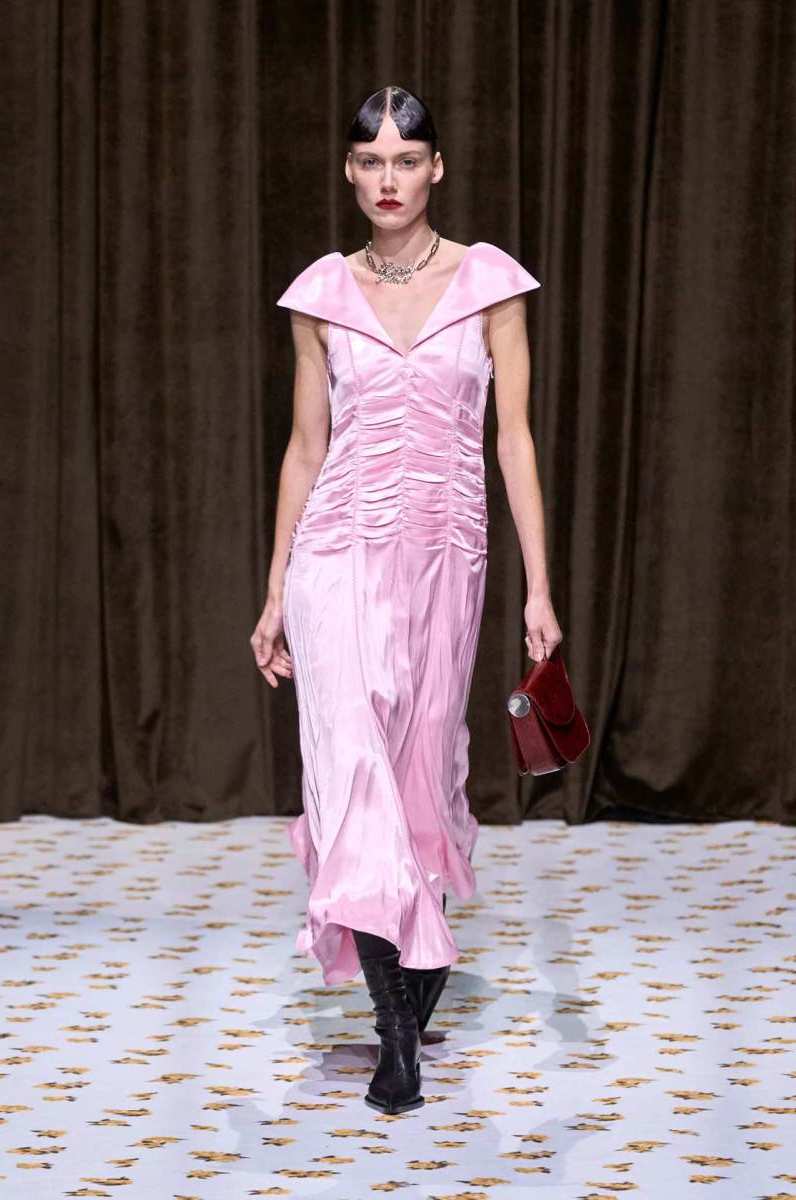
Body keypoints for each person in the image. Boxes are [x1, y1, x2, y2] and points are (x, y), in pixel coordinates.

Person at [250, 85, 562, 1115]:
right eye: (370, 161)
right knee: (351, 767)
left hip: (444, 558)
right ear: (350, 172)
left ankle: (415, 974)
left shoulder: (489, 285)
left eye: (406, 160)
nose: (388, 179)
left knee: (421, 775)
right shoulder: (321, 294)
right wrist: (273, 591)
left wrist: (539, 587)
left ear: (436, 168)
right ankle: (396, 1034)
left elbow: (513, 440)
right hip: (334, 553)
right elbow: (306, 449)